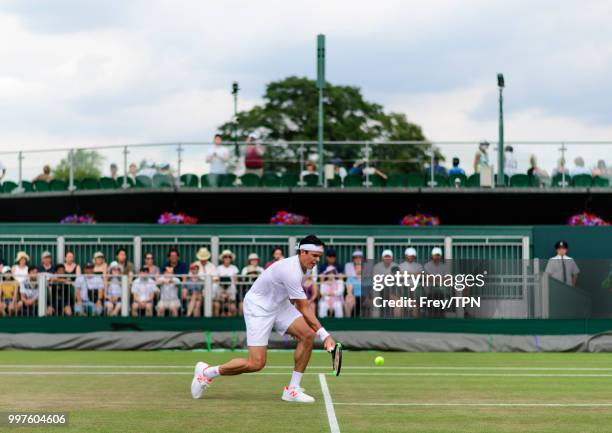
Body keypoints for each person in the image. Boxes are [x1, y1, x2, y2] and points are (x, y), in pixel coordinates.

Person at [190, 235, 337, 403]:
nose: (317, 260)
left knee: (307, 334)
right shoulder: (290, 269)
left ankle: (292, 390)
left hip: (279, 305)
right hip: (258, 307)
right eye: (314, 255)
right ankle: (207, 373)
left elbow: (290, 296)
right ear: (303, 252)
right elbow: (304, 307)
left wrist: (294, 326)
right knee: (256, 363)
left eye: (319, 256)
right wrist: (325, 335)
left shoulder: (306, 267)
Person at [398, 247, 424, 317]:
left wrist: (407, 274)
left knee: (415, 302)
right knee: (402, 302)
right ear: (406, 255)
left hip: (416, 286)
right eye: (409, 255)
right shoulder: (400, 266)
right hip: (404, 287)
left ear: (414, 256)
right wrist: (413, 274)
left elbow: (420, 275)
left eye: (412, 255)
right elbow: (399, 276)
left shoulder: (419, 265)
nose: (410, 256)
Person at [213, 250, 239, 317]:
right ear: (223, 259)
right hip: (220, 292)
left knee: (232, 307)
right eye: (225, 257)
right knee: (216, 305)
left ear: (231, 259)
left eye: (229, 257)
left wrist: (227, 294)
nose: (227, 258)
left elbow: (235, 281)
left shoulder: (234, 268)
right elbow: (216, 280)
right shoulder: (219, 268)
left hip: (230, 293)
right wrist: (222, 293)